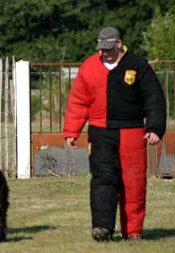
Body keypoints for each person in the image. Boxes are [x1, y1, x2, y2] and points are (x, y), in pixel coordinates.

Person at [63, 27, 166, 241]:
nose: (106, 53)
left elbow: (153, 98)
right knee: (103, 179)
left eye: (109, 48)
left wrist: (155, 128)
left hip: (132, 131)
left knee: (134, 182)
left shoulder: (138, 65)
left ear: (119, 43)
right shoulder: (89, 67)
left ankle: (133, 231)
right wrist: (72, 131)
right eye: (102, 49)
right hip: (100, 132)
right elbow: (79, 101)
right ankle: (102, 228)